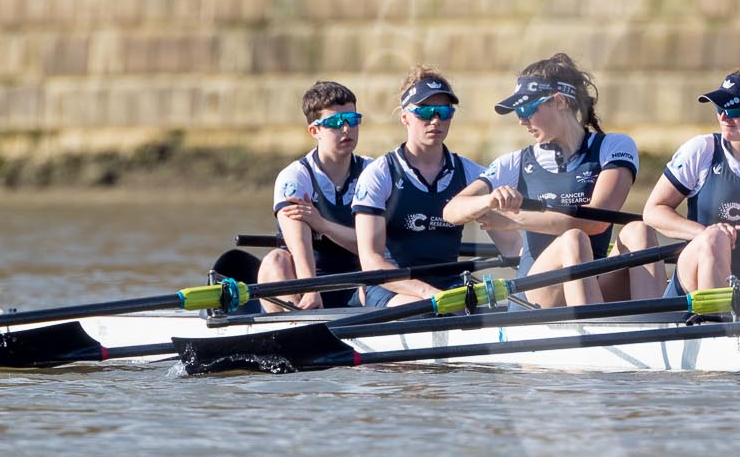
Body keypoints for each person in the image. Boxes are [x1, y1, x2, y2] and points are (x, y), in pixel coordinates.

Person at [443, 54, 659, 309]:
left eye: (526, 109)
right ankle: (593, 336)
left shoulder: (612, 147)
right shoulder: (514, 162)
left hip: (596, 283)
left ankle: (662, 331)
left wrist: (512, 219)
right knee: (573, 240)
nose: (521, 120)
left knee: (639, 231)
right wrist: (489, 201)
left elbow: (596, 221)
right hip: (536, 294)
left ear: (559, 102)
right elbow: (451, 211)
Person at [350, 68, 504, 308]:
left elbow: (512, 243)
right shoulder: (380, 174)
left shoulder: (472, 174)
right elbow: (371, 260)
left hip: (449, 287)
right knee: (425, 312)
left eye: (444, 112)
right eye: (425, 112)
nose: (436, 120)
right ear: (405, 117)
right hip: (390, 287)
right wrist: (427, 293)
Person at [642, 67, 740, 298]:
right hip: (695, 277)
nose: (724, 116)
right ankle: (715, 323)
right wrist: (706, 233)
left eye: (734, 109)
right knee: (715, 240)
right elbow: (653, 211)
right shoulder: (702, 150)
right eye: (719, 107)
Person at [255, 80, 369, 312]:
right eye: (335, 122)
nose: (346, 129)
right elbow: (299, 244)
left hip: (358, 281)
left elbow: (376, 247)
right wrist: (311, 289)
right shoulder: (295, 177)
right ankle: (294, 322)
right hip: (304, 285)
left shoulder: (373, 172)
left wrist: (322, 225)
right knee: (275, 260)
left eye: (352, 120)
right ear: (314, 130)